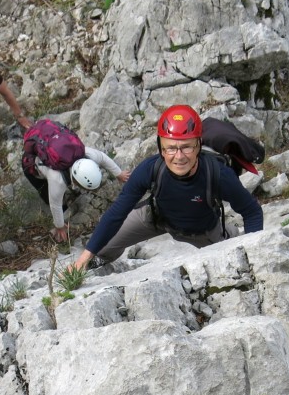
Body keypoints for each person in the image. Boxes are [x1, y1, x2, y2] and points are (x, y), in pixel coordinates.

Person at [71, 105, 263, 271]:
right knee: (100, 247)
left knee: (231, 258)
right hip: (155, 218)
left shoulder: (218, 174)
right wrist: (84, 258)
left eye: (186, 147)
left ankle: (230, 233)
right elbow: (117, 213)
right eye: (171, 148)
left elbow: (252, 211)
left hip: (202, 230)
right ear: (161, 149)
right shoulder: (150, 169)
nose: (179, 156)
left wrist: (253, 250)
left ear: (198, 146)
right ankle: (97, 262)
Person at [23, 147, 131, 243]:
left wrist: (119, 173)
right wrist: (60, 226)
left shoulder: (88, 155)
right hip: (31, 163)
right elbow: (55, 204)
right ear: (75, 182)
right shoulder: (57, 180)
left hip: (51, 150)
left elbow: (103, 158)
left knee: (57, 191)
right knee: (47, 194)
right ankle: (65, 207)